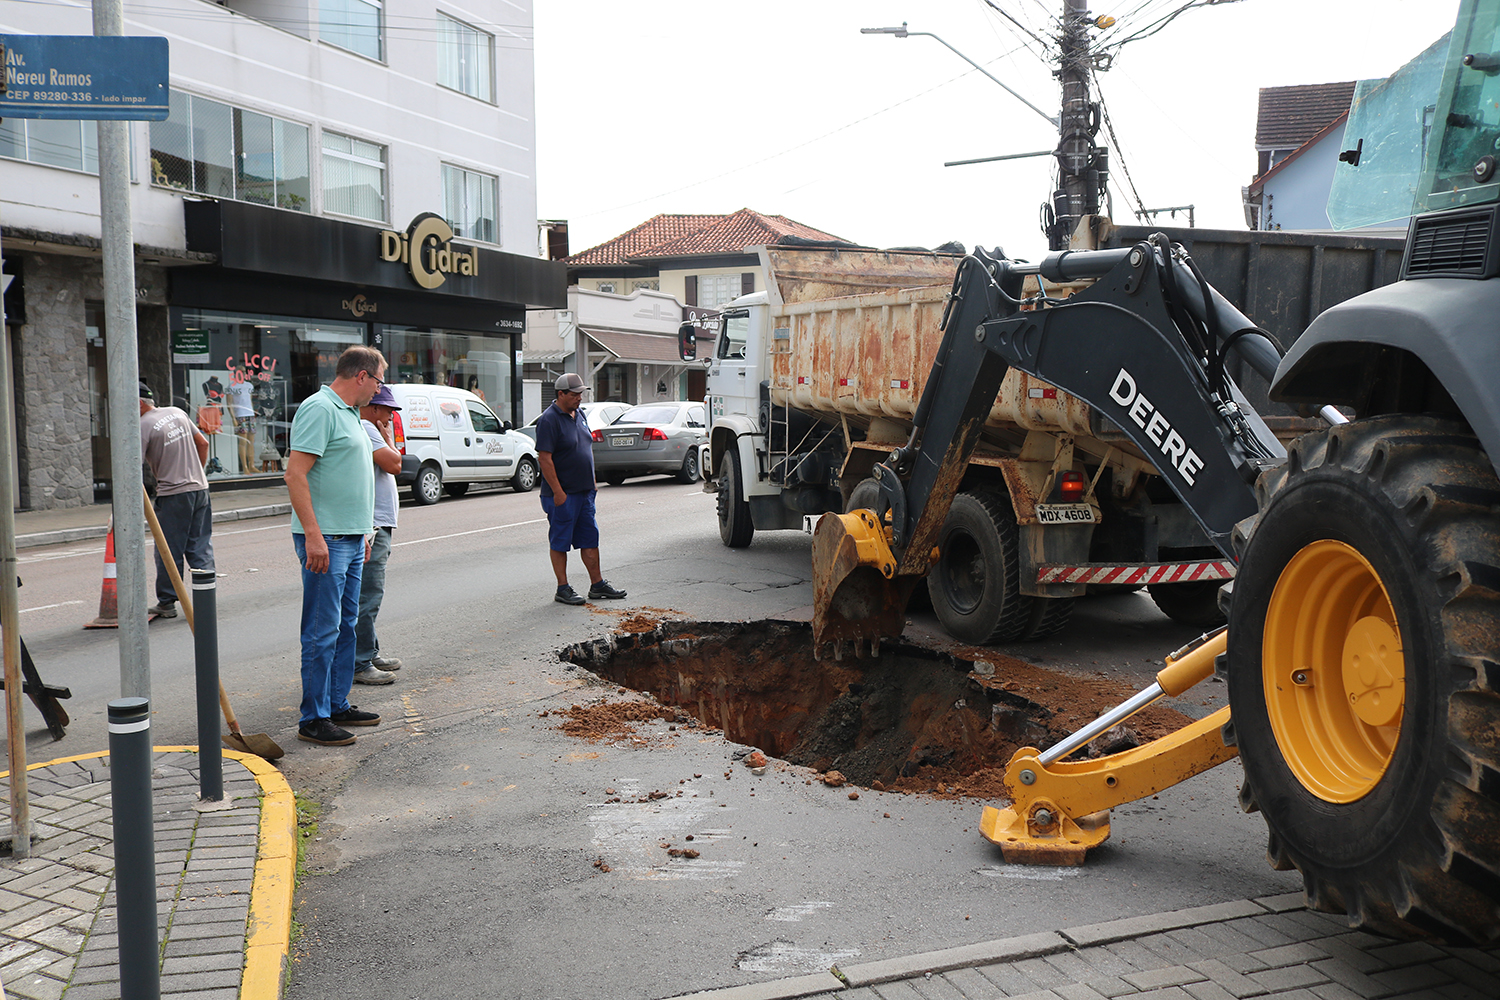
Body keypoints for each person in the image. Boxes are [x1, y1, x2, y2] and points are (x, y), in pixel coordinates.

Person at [284, 345, 387, 746]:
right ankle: (314, 718)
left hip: (349, 537)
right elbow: (296, 475)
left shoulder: (348, 413)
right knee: (321, 630)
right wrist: (313, 535)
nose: (380, 389)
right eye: (379, 380)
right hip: (325, 539)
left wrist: (361, 531)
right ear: (361, 376)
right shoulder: (320, 409)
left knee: (346, 626)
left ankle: (337, 703)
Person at [535, 372, 627, 606]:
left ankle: (597, 585)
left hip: (584, 492)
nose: (579, 398)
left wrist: (592, 482)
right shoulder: (549, 420)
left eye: (581, 394)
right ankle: (562, 588)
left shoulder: (580, 415)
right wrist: (558, 492)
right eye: (575, 394)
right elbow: (544, 458)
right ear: (561, 394)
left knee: (590, 538)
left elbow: (585, 449)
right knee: (560, 540)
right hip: (563, 494)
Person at [139, 381, 213, 619]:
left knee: (168, 549)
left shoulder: (142, 425)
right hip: (200, 489)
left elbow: (132, 466)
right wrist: (195, 472)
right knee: (199, 545)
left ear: (138, 403)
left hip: (173, 494)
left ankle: (167, 601)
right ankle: (206, 597)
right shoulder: (177, 412)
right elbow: (203, 443)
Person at [354, 384, 404, 685]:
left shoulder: (364, 426)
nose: (390, 417)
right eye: (387, 410)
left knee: (369, 593)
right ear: (374, 409)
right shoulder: (368, 428)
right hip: (373, 524)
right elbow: (394, 463)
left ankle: (368, 651)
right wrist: (388, 440)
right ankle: (360, 661)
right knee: (368, 594)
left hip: (375, 522)